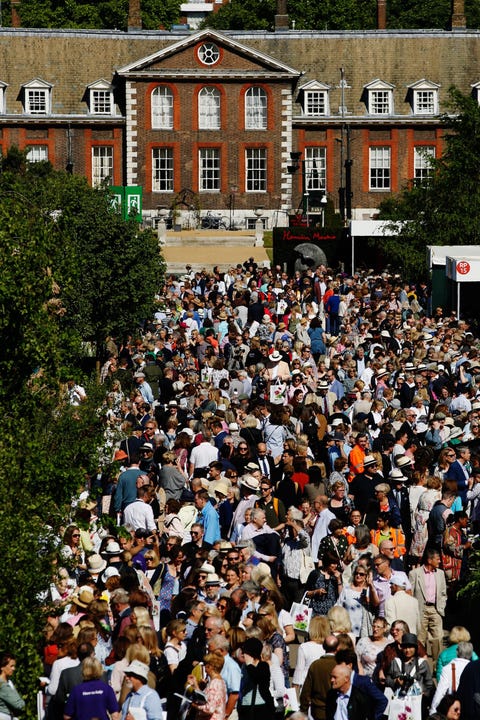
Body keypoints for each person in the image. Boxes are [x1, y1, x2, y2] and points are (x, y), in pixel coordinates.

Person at [409, 548, 447, 664]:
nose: (439, 561)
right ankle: (421, 664)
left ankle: (437, 664)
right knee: (420, 639)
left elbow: (443, 592)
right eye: (437, 559)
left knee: (438, 638)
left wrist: (442, 605)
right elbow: (410, 593)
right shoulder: (414, 573)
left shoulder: (440, 573)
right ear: (430, 560)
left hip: (436, 609)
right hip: (421, 609)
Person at [300, 635, 339, 720]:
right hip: (336, 711)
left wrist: (303, 710)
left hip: (318, 712)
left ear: (324, 647)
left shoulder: (315, 665)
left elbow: (306, 692)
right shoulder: (340, 665)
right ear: (337, 648)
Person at [237, 638, 274, 720]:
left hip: (260, 707)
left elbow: (257, 677)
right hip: (245, 706)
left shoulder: (263, 666)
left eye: (244, 651)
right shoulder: (244, 666)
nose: (242, 654)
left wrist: (250, 664)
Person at [187, 653, 227, 720]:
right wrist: (195, 686)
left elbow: (210, 709)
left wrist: (195, 706)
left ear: (210, 666)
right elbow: (206, 699)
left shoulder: (215, 683)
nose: (204, 667)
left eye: (206, 664)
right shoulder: (220, 681)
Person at [0, 652, 25, 719]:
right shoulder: (2, 685)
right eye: (11, 666)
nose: (14, 668)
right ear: (2, 667)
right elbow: (19, 705)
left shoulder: (7, 682)